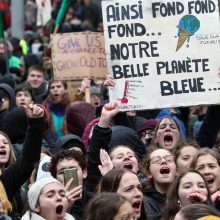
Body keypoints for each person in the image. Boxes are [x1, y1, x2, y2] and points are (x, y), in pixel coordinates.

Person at [0, 104, 45, 218]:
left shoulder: (7, 179)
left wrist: (35, 123)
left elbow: (29, 158)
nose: (2, 146)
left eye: (5, 143)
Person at [49, 149, 89, 220]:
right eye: (62, 172)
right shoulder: (48, 205)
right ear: (55, 178)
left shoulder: (96, 201)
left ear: (84, 173)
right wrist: (65, 207)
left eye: (73, 170)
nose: (69, 176)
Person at [141, 147, 177, 220]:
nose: (163, 161)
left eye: (169, 159)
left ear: (176, 170)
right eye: (156, 160)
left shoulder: (185, 195)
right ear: (149, 173)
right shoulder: (144, 203)